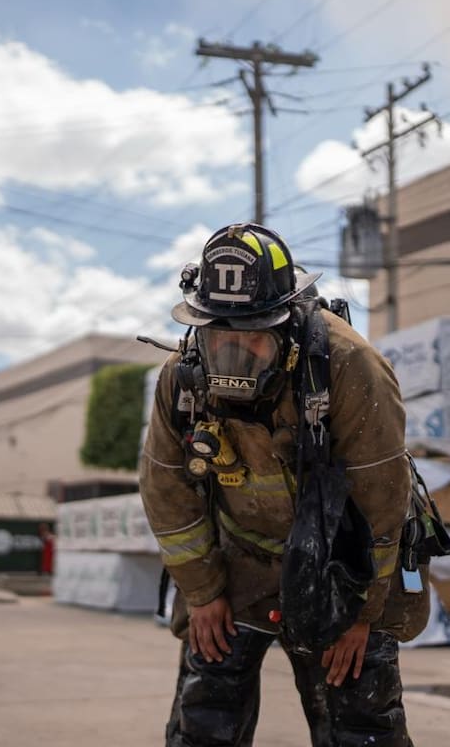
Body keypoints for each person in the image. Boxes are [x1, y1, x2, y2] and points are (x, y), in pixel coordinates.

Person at [140, 223, 418, 746]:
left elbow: (382, 502)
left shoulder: (349, 365)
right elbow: (166, 491)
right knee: (206, 719)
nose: (235, 352)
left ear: (287, 323)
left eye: (253, 336)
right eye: (220, 335)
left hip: (344, 564)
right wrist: (203, 593)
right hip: (237, 560)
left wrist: (362, 615)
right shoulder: (181, 376)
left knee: (360, 725)